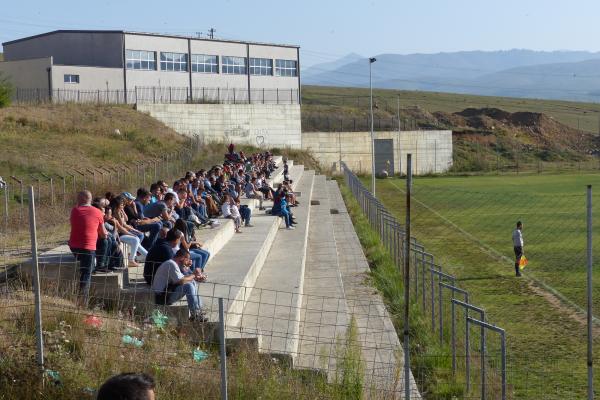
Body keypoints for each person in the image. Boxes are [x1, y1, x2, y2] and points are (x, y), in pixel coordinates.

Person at [68, 191, 107, 305]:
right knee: (86, 273)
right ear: (89, 199)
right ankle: (82, 301)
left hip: (74, 247)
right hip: (87, 248)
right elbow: (103, 233)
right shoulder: (97, 212)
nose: (77, 201)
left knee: (86, 264)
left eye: (78, 199)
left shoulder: (74, 211)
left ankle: (95, 264)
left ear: (82, 199)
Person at [152, 249, 207, 321]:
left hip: (168, 291)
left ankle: (199, 310)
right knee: (189, 286)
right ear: (182, 258)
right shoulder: (171, 264)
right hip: (162, 297)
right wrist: (194, 275)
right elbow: (181, 281)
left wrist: (193, 274)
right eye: (187, 259)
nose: (188, 261)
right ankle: (195, 314)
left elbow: (185, 278)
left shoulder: (175, 264)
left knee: (192, 282)